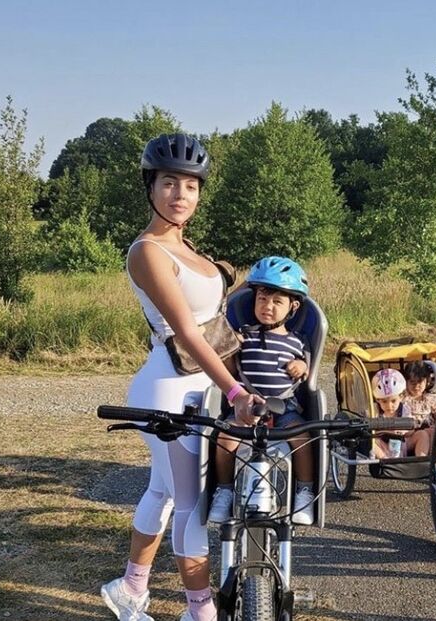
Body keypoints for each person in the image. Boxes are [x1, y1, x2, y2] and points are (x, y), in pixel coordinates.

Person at [101, 134, 261, 621]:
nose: (180, 194)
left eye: (190, 186)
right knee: (191, 503)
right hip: (170, 390)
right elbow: (188, 333)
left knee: (162, 490)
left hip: (200, 385)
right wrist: (236, 391)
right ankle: (200, 611)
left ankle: (131, 587)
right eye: (169, 182)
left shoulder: (188, 247)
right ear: (150, 187)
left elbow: (216, 322)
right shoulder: (149, 251)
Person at [207, 256, 317, 526]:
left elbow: (307, 371)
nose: (268, 307)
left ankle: (304, 491)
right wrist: (230, 346)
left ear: (293, 307)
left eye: (277, 302)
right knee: (225, 438)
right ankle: (224, 491)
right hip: (247, 408)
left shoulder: (297, 341)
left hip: (284, 409)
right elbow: (229, 368)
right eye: (262, 299)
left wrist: (302, 366)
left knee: (302, 438)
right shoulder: (244, 335)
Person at [370, 368, 424, 458]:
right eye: (384, 401)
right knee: (371, 441)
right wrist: (387, 431)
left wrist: (404, 431)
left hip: (402, 443)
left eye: (393, 401)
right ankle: (385, 460)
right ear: (378, 400)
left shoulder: (404, 409)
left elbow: (411, 430)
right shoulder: (374, 410)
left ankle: (422, 459)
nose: (389, 405)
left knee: (422, 434)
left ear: (401, 397)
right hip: (383, 446)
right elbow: (370, 430)